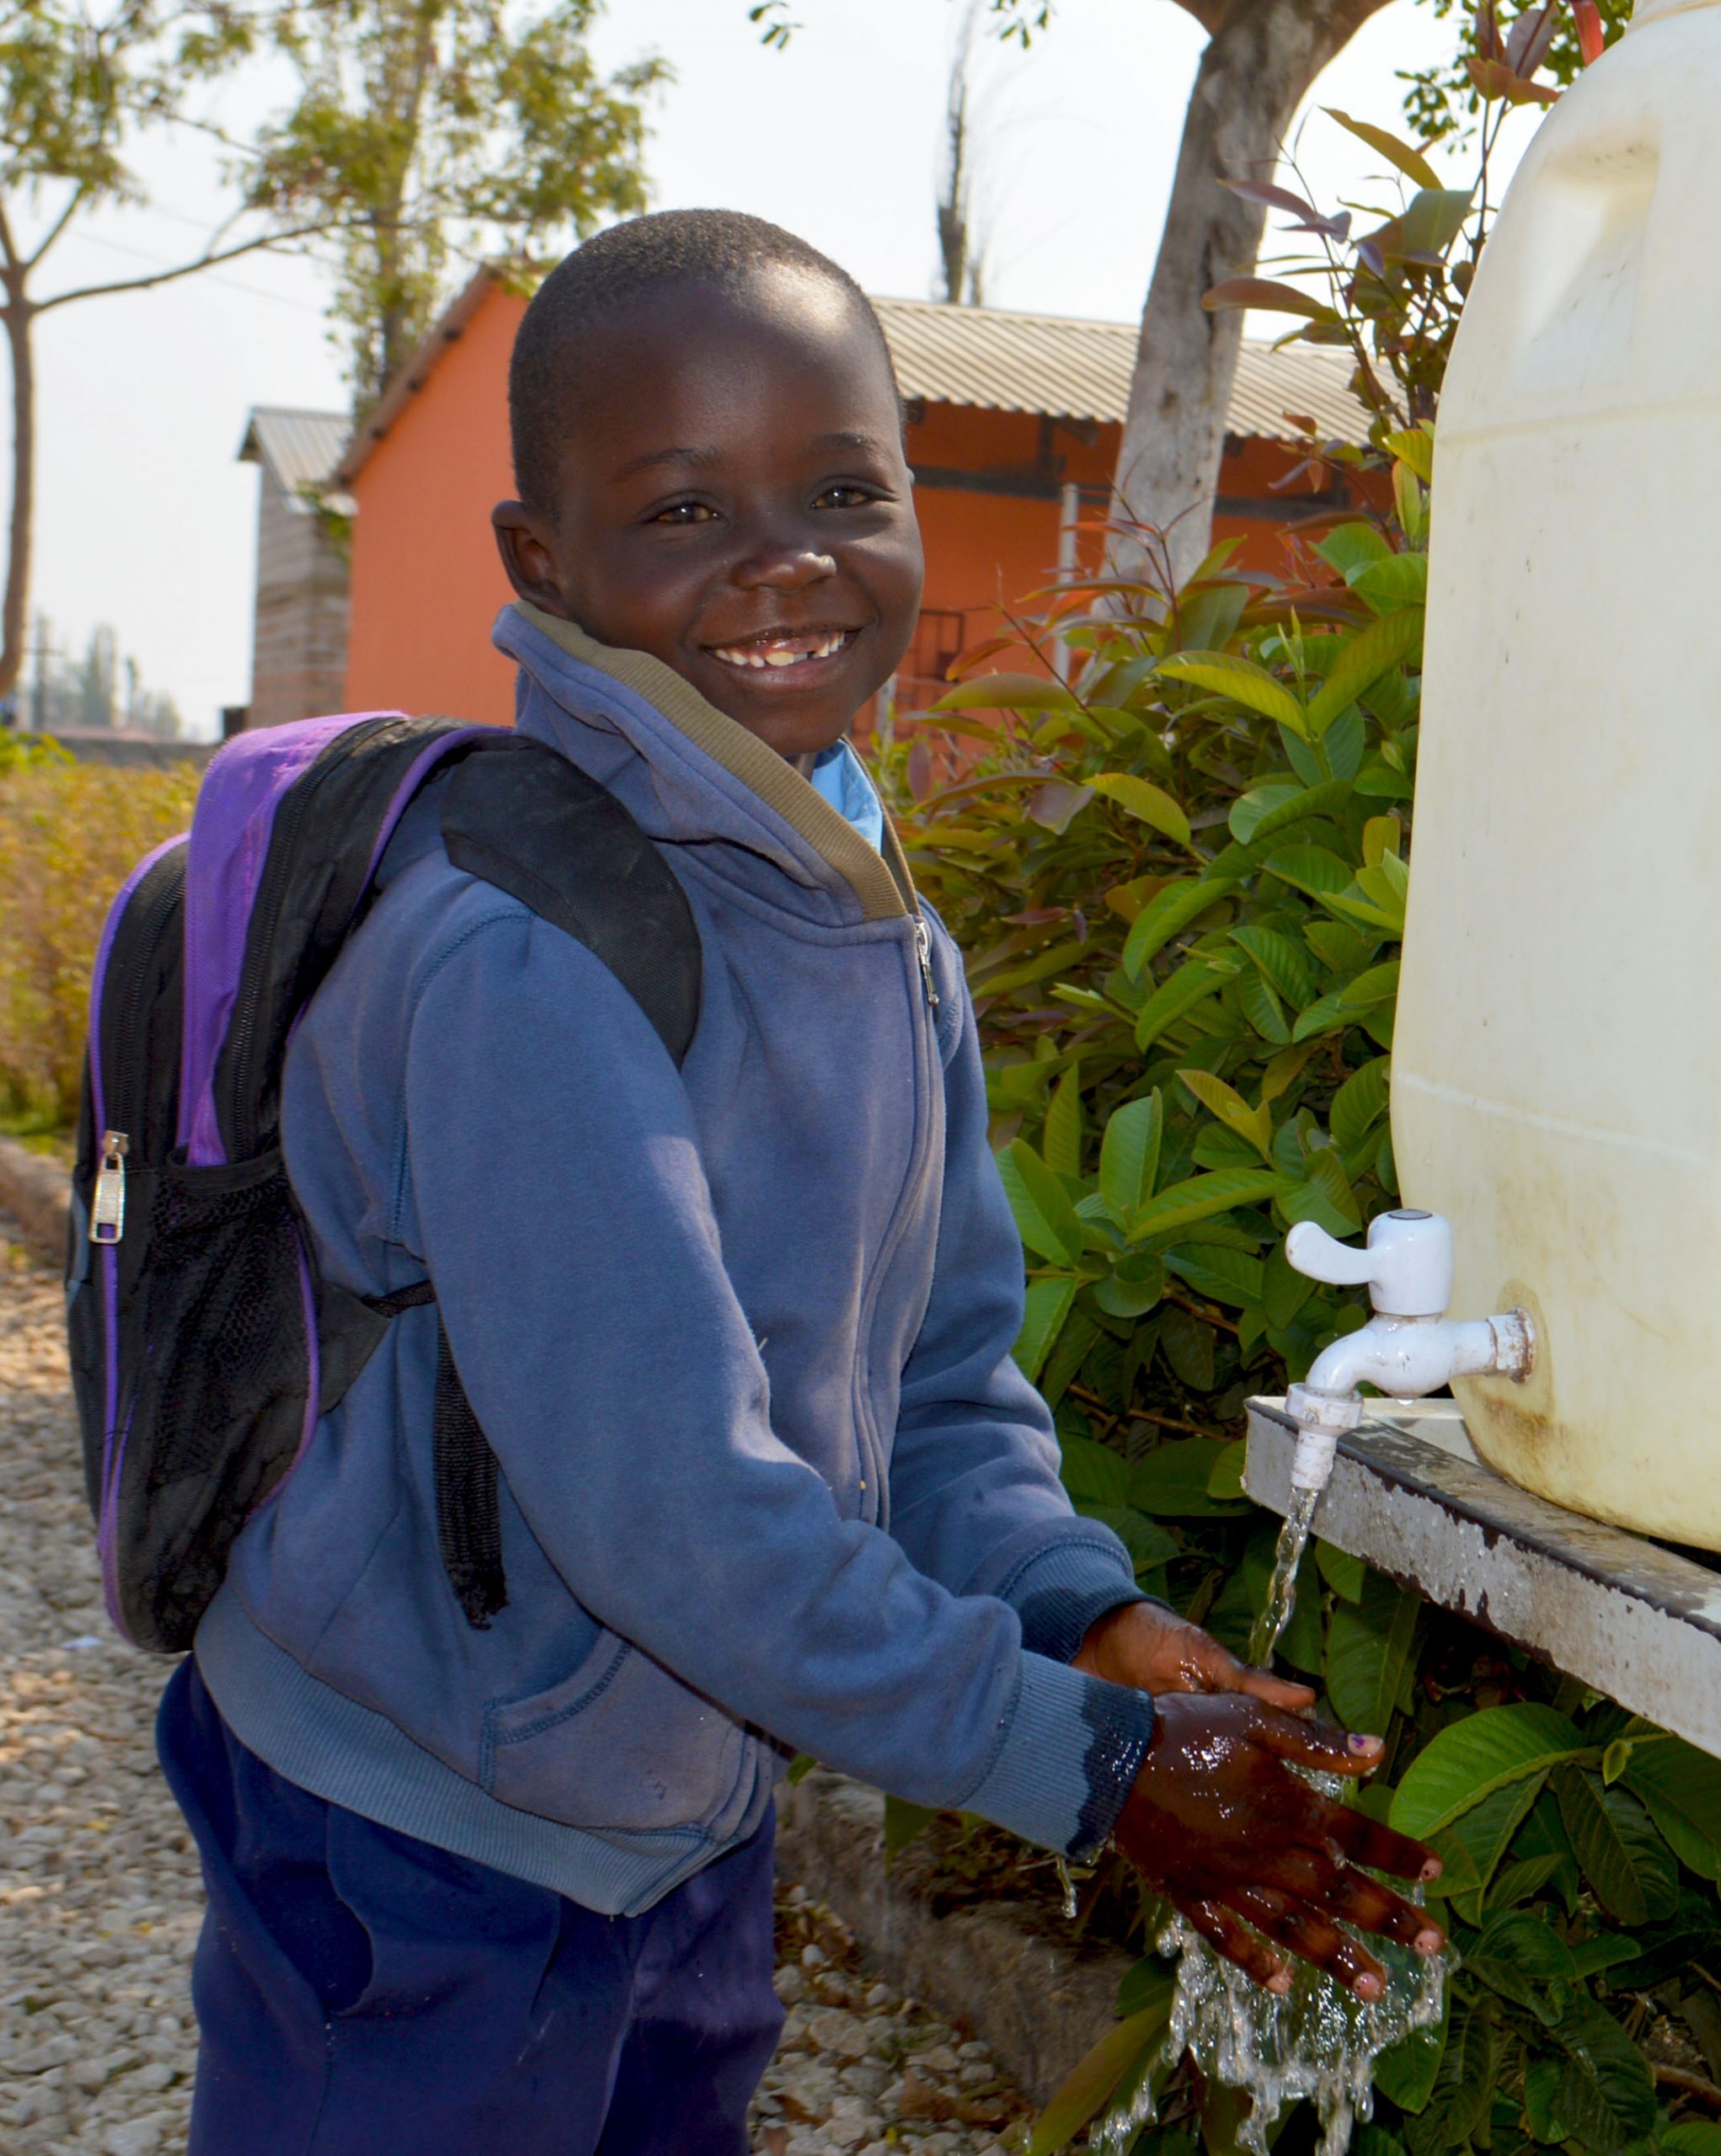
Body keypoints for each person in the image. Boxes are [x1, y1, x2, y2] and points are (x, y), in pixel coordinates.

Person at [158, 209, 1442, 2156]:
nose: (783, 560)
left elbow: (930, 1374)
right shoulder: (519, 953)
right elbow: (673, 1513)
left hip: (676, 1784)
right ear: (543, 560)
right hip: (412, 1814)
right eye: (682, 512)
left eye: (843, 487)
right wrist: (1093, 1771)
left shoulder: (861, 910)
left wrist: (1071, 1613)